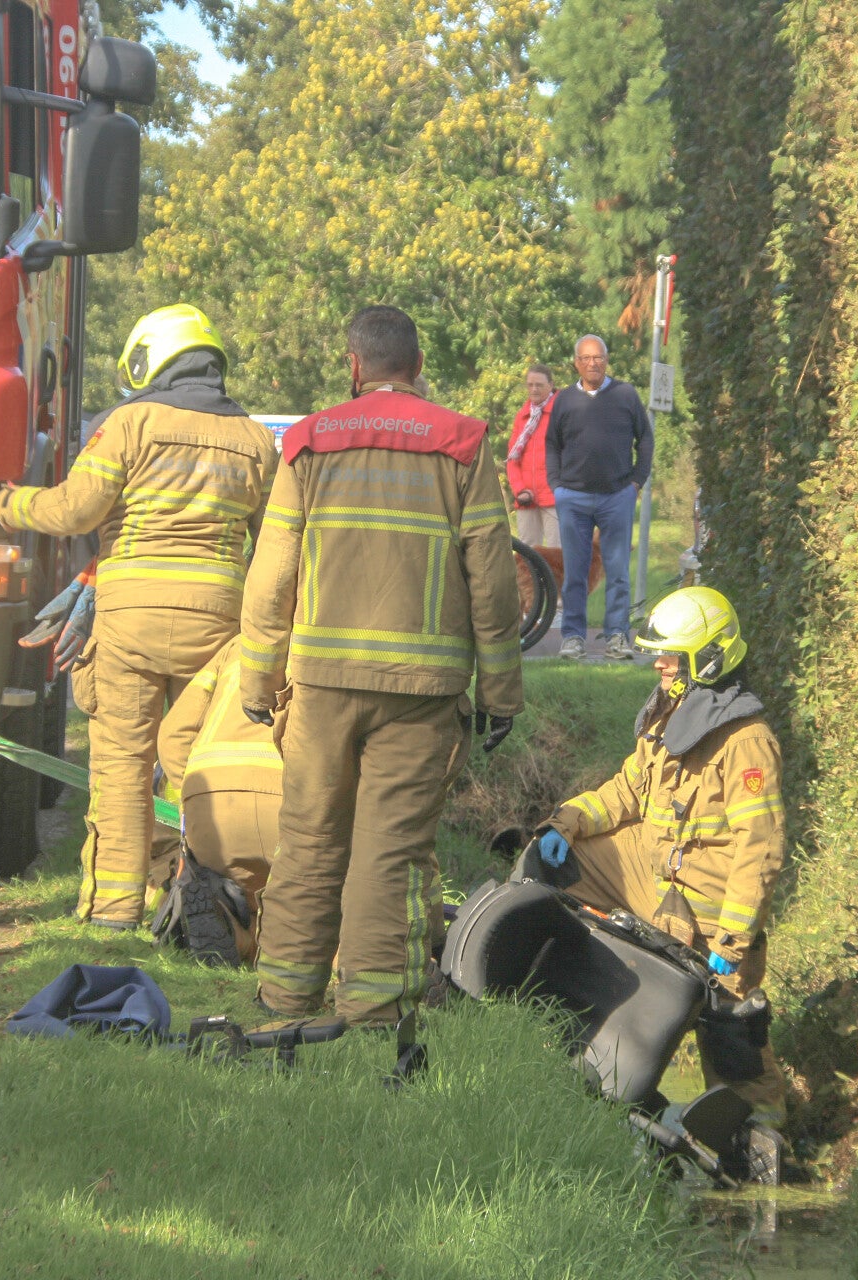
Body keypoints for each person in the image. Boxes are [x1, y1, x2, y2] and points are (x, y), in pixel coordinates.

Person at [241, 305, 523, 1026]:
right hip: (422, 693)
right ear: (418, 365)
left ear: (354, 364)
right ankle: (371, 1014)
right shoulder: (463, 446)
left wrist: (258, 680)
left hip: (320, 689)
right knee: (388, 854)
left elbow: (271, 578)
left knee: (308, 840)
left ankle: (283, 1002)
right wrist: (501, 693)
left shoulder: (308, 443)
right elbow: (493, 584)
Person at [0, 304, 276, 930]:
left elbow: (74, 510)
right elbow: (277, 547)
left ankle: (113, 912)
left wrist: (12, 504)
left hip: (130, 618)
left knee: (121, 766)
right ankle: (195, 906)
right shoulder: (258, 439)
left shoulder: (129, 423)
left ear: (151, 360)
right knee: (195, 764)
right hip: (218, 623)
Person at [532, 586, 790, 1126]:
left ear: (707, 659)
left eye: (670, 656)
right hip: (655, 883)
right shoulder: (670, 715)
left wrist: (732, 940)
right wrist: (566, 822)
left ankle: (764, 1135)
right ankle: (563, 1022)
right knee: (558, 866)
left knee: (732, 1037)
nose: (659, 665)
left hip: (711, 917)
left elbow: (760, 848)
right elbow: (628, 791)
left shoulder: (747, 742)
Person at [155, 635, 282, 966]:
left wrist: (194, 796)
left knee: (240, 887)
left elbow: (173, 734)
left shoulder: (238, 646)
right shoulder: (346, 646)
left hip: (213, 809)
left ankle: (234, 928)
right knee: (315, 894)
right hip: (292, 807)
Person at [544, 334, 653, 661]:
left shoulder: (625, 395)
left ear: (606, 361)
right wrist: (556, 486)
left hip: (617, 497)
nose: (593, 363)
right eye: (587, 358)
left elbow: (645, 440)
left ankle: (617, 637)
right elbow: (552, 445)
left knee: (617, 572)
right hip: (573, 498)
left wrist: (636, 482)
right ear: (576, 363)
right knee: (575, 572)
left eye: (599, 357)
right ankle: (573, 638)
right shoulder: (564, 399)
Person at [506, 363, 601, 620]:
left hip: (554, 496)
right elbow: (512, 459)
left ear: (551, 385)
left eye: (539, 385)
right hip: (526, 498)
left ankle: (557, 609)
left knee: (559, 553)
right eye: (530, 385)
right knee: (526, 555)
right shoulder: (523, 416)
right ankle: (530, 609)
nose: (534, 389)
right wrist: (520, 489)